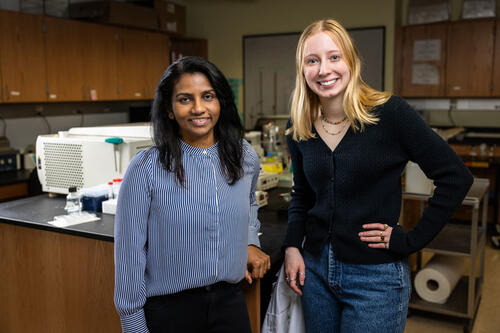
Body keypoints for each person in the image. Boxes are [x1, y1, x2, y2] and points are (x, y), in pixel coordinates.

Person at [283, 19, 473, 333]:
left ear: (352, 61)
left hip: (375, 277)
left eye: (334, 56)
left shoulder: (390, 114)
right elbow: (302, 194)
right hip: (314, 272)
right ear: (302, 70)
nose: (323, 69)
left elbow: (455, 177)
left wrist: (411, 240)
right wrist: (292, 246)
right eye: (311, 61)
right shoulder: (299, 126)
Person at [114, 56, 271, 333]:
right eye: (185, 99)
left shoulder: (243, 155)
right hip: (170, 312)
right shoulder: (146, 167)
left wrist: (249, 241)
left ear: (220, 101)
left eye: (208, 96)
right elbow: (129, 253)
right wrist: (133, 324)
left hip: (230, 305)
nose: (199, 108)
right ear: (170, 110)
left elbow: (248, 203)